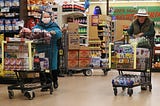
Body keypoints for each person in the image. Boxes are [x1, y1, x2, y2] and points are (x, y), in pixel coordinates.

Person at [32, 11, 62, 90]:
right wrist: (36, 33)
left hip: (52, 49)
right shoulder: (38, 26)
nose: (46, 19)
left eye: (47, 17)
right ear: (41, 18)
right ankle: (44, 84)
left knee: (53, 66)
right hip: (41, 49)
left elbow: (59, 34)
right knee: (42, 66)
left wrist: (54, 33)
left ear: (50, 17)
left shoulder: (54, 25)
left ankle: (55, 81)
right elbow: (33, 32)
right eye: (44, 17)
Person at [127, 8, 155, 90]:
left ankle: (145, 82)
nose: (141, 18)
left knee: (146, 65)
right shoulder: (134, 23)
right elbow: (129, 32)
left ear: (146, 17)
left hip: (148, 46)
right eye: (140, 16)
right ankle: (141, 80)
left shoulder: (150, 23)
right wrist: (130, 35)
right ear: (138, 17)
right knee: (140, 64)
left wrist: (143, 34)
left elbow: (152, 33)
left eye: (143, 17)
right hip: (138, 46)